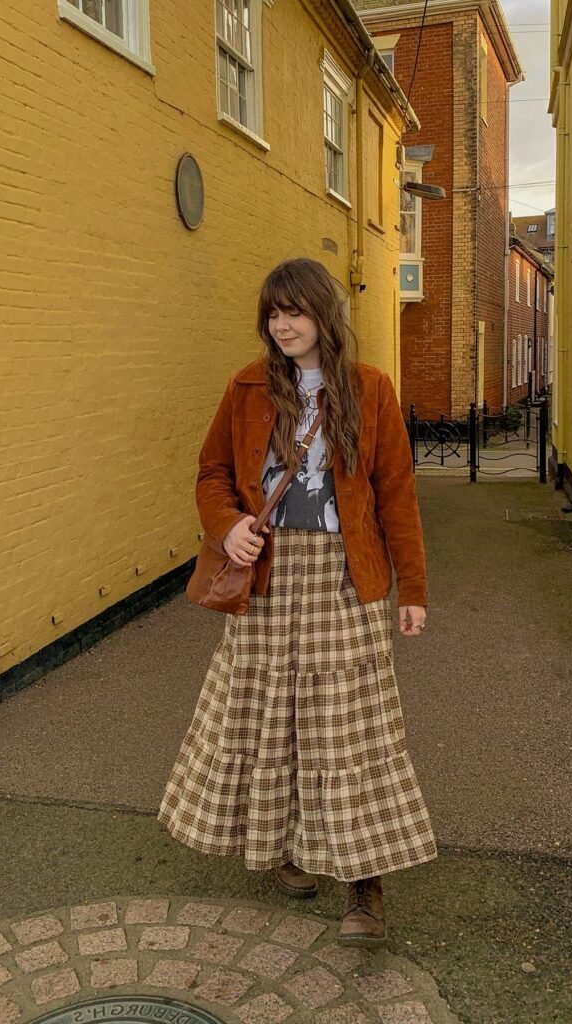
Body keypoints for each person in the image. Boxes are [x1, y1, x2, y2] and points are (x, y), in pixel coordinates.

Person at [158, 257, 437, 948]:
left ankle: (365, 888)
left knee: (349, 731)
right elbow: (212, 473)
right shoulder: (247, 385)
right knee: (268, 720)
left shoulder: (368, 390)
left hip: (345, 578)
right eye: (273, 314)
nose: (282, 325)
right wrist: (227, 526)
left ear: (323, 314)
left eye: (295, 312)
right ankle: (283, 848)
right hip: (267, 579)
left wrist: (414, 589)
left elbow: (397, 494)